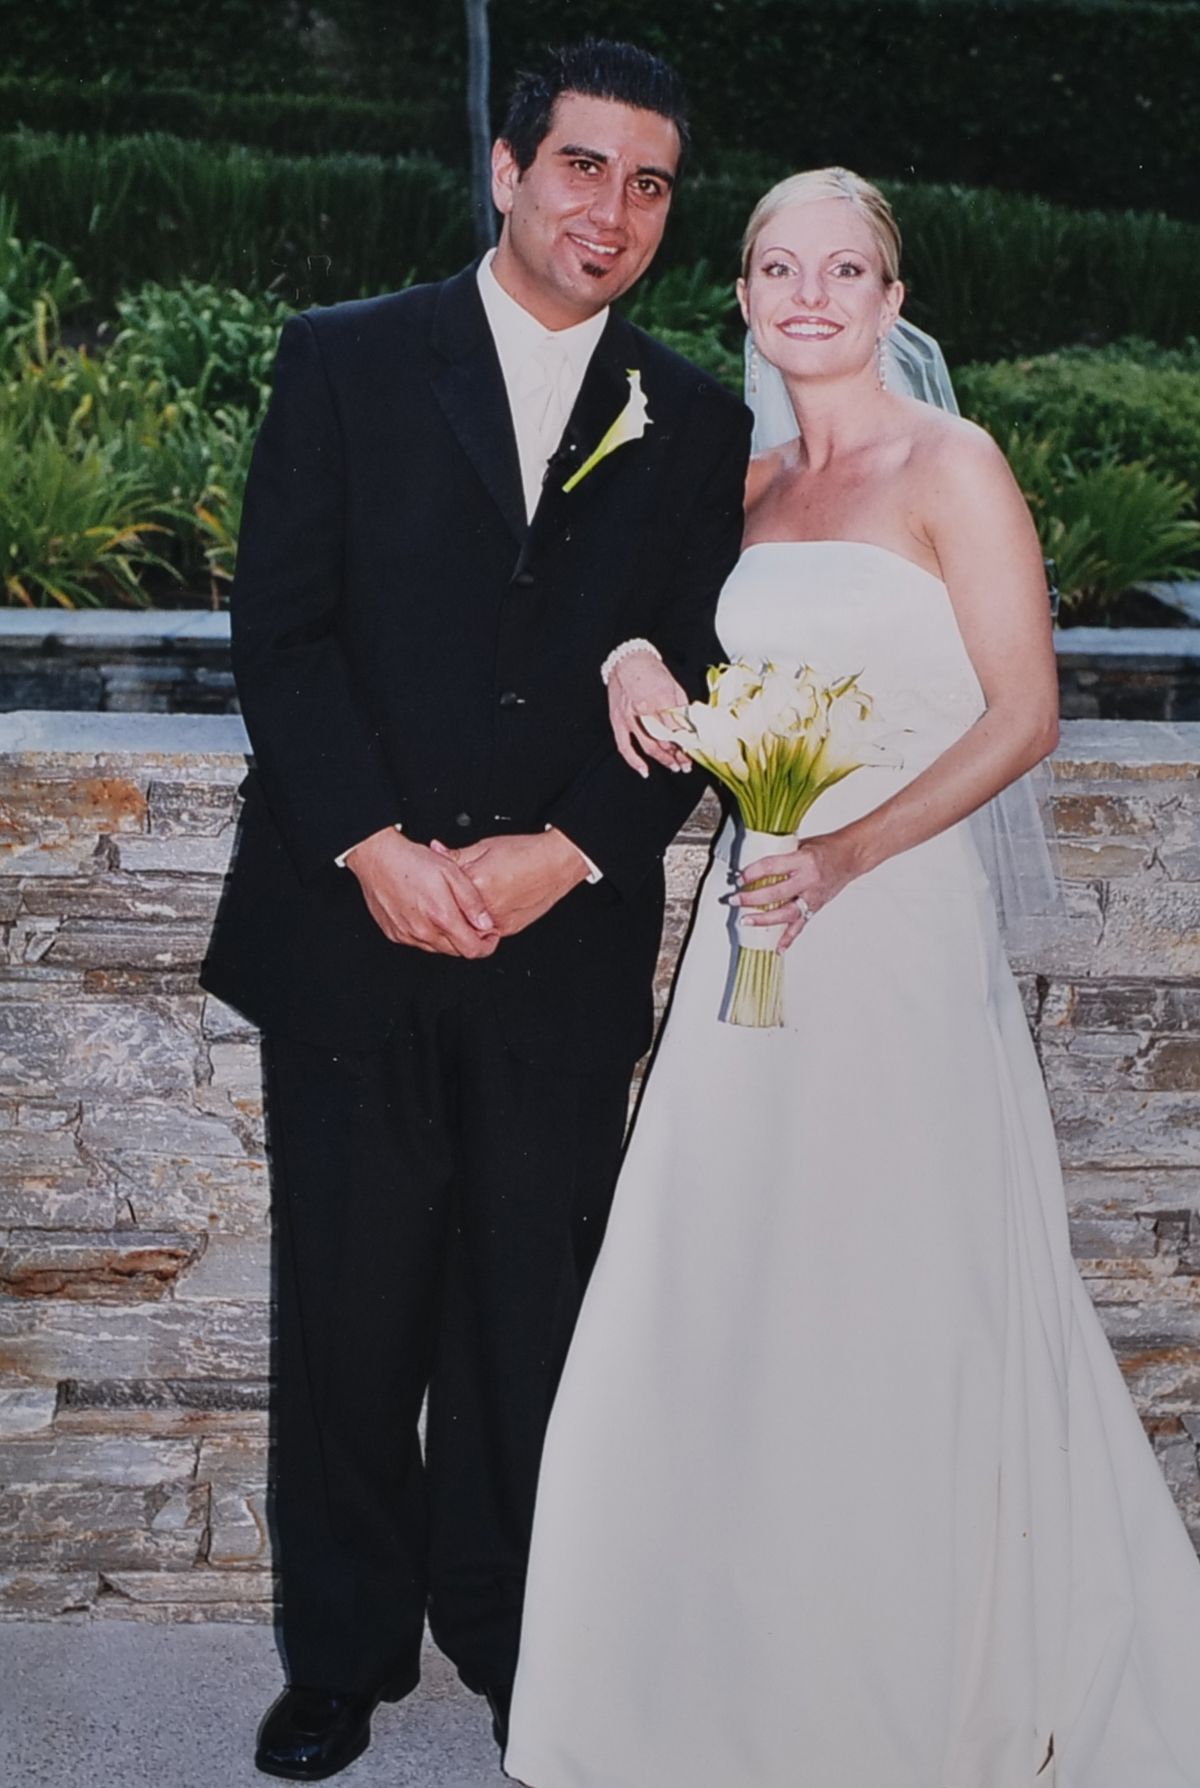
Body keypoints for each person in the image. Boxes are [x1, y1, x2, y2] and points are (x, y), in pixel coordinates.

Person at [504, 168, 1200, 1787]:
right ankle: (726, 1688)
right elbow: (633, 626)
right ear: (743, 298)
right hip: (760, 930)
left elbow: (1024, 715)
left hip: (889, 925)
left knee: (895, 1293)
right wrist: (630, 659)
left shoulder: (953, 465)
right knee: (727, 1291)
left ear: (892, 301)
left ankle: (911, 1688)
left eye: (842, 269)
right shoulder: (739, 491)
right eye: (776, 267)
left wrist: (848, 854)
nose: (807, 294)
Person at [200, 39, 751, 1783]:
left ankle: (519, 1642)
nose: (615, 211)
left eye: (650, 184)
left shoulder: (696, 418)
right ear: (508, 174)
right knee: (350, 1317)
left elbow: (706, 676)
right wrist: (374, 846)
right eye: (584, 167)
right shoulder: (345, 359)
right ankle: (341, 1658)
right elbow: (281, 633)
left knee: (529, 1317)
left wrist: (569, 850)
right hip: (350, 923)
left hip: (557, 942)